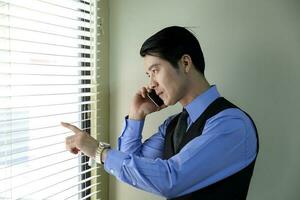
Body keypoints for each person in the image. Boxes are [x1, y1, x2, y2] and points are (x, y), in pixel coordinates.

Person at [62, 26, 259, 200]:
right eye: (149, 75)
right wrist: (136, 115)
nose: (151, 84)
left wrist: (99, 151)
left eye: (155, 70)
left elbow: (170, 179)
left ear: (185, 63)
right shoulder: (172, 125)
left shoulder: (232, 124)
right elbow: (133, 167)